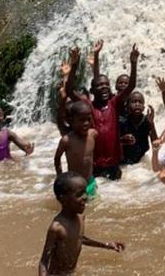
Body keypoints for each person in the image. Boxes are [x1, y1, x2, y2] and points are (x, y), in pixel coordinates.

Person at [38, 172, 124, 276]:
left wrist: (106, 245)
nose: (85, 197)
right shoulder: (57, 228)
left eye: (85, 192)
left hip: (71, 274)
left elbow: (79, 238)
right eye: (79, 195)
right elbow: (43, 262)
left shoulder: (80, 217)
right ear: (63, 199)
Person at [63, 40, 139, 181]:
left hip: (114, 164)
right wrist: (74, 65)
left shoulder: (114, 103)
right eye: (100, 85)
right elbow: (69, 90)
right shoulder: (87, 106)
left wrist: (133, 63)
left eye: (106, 84)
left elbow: (131, 86)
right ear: (92, 90)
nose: (104, 87)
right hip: (95, 165)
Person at [54, 101, 98, 196]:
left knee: (95, 207)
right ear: (71, 120)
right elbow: (57, 158)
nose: (86, 123)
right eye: (81, 120)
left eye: (88, 119)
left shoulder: (93, 134)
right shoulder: (67, 140)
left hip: (90, 181)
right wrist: (60, 177)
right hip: (74, 184)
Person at [119, 91, 157, 165]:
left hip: (142, 161)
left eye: (140, 102)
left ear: (143, 107)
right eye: (134, 102)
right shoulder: (122, 122)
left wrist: (152, 124)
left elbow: (156, 144)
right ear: (127, 106)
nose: (137, 104)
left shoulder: (147, 121)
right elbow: (112, 143)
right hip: (124, 161)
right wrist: (122, 140)